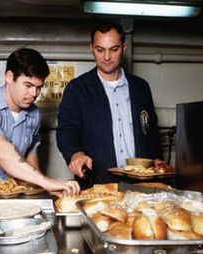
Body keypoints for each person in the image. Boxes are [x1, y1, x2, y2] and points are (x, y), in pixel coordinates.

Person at [0, 47, 80, 196]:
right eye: (28, 85)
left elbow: (30, 154)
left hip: (12, 189)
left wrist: (39, 186)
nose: (34, 94)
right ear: (9, 77)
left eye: (39, 87)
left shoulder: (34, 113)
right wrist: (46, 181)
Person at [56, 22, 164, 189]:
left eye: (114, 49)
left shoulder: (141, 87)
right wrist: (76, 154)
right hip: (97, 185)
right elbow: (66, 131)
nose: (107, 57)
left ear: (124, 48)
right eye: (100, 50)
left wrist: (156, 159)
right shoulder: (77, 89)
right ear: (91, 48)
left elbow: (151, 132)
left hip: (142, 186)